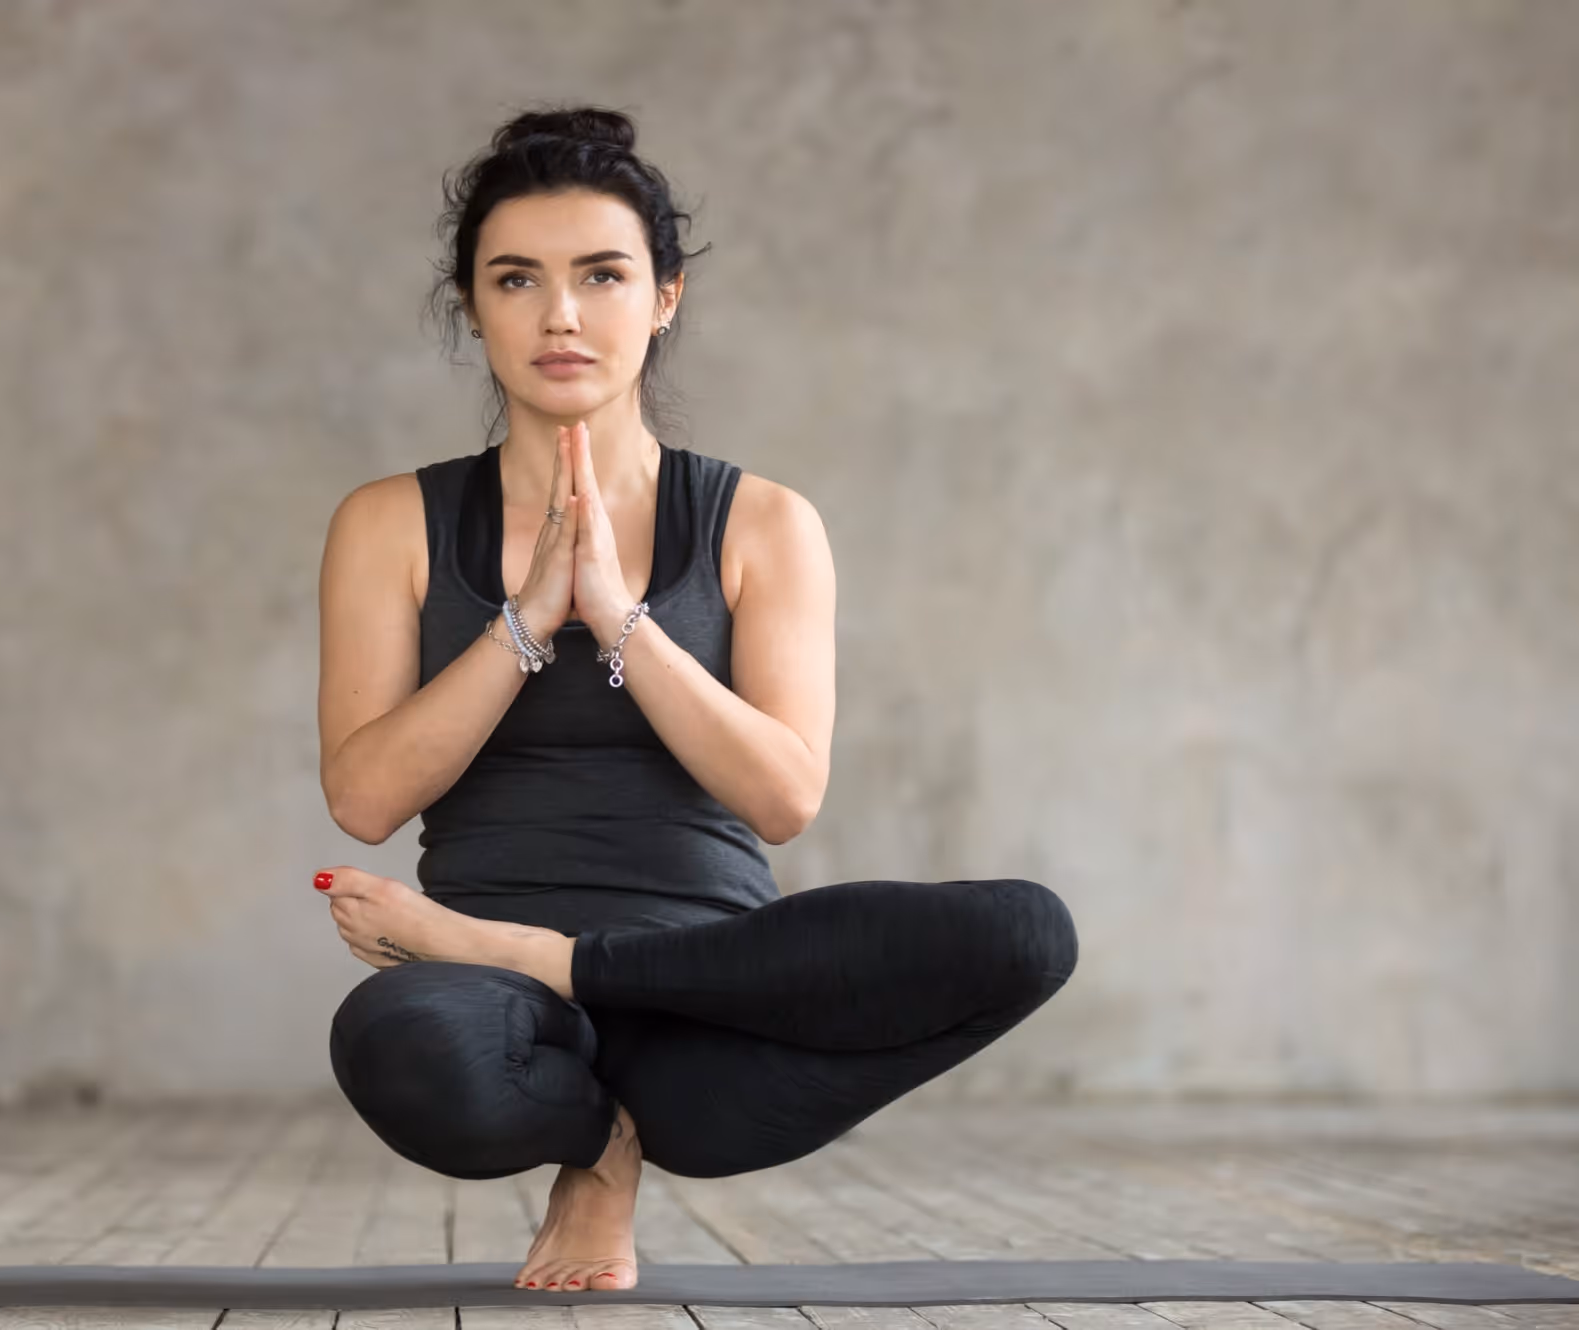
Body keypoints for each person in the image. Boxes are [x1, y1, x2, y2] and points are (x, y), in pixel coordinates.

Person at [312, 104, 1078, 1297]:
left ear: (663, 296)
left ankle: (566, 974)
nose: (561, 314)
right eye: (517, 278)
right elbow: (363, 797)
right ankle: (592, 1131)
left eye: (602, 275)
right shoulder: (390, 523)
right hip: (486, 999)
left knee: (1026, 932)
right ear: (474, 306)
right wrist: (525, 620)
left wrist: (620, 616)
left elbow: (782, 797)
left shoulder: (763, 523)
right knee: (395, 1047)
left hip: (713, 991)